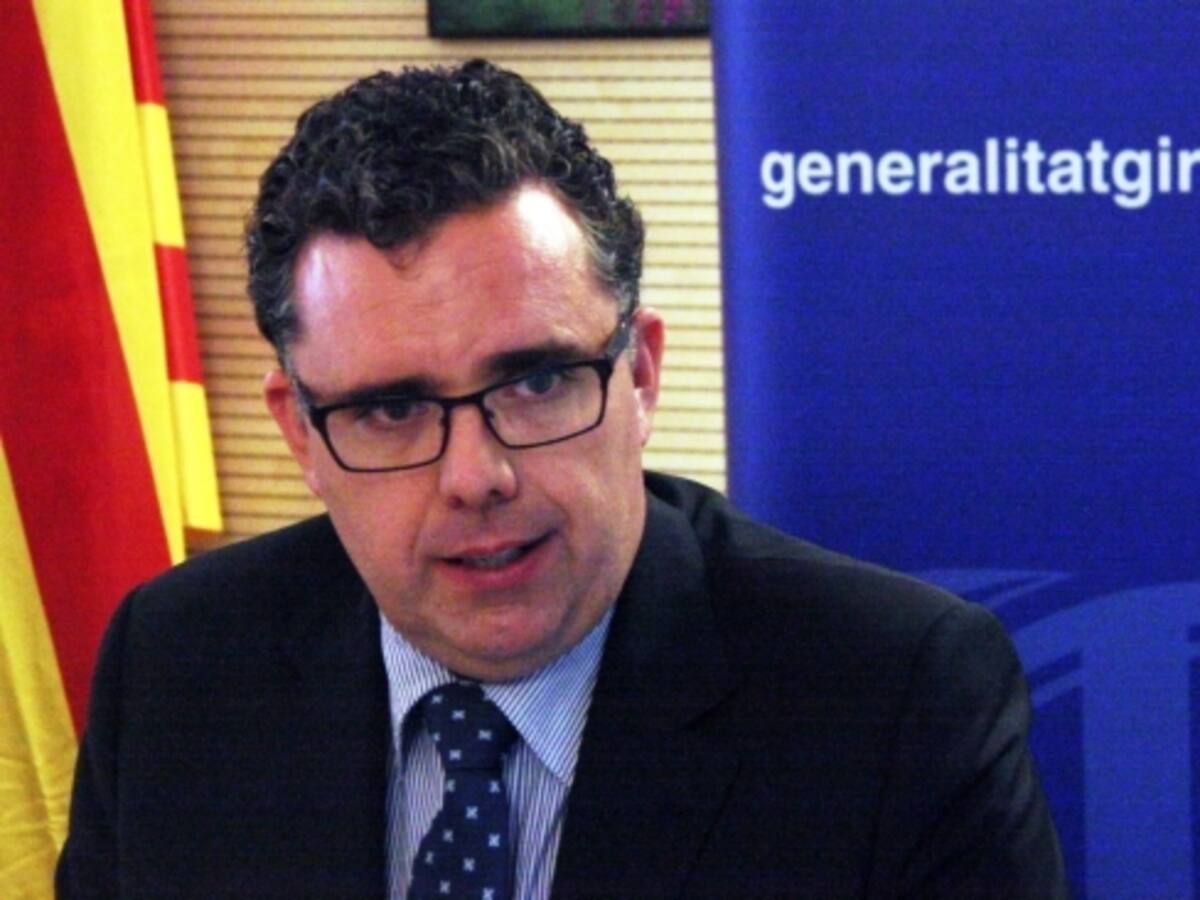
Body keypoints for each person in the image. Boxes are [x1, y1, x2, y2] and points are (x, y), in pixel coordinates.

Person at [57, 59, 1067, 898]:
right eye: (392, 410)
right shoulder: (180, 668)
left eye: (536, 382)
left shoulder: (891, 701)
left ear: (640, 375)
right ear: (300, 432)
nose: (475, 476)